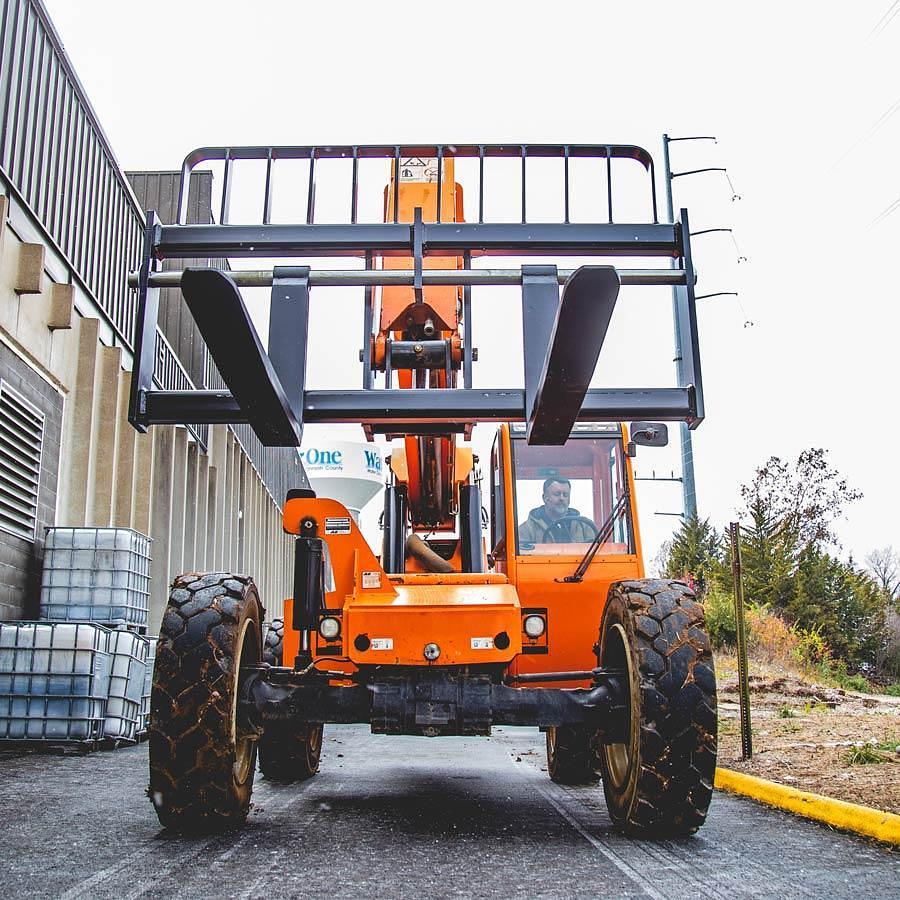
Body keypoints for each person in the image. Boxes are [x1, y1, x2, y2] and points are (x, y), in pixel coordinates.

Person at [518, 477, 596, 544]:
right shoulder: (526, 530)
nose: (561, 498)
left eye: (565, 495)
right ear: (545, 498)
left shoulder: (585, 527)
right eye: (557, 494)